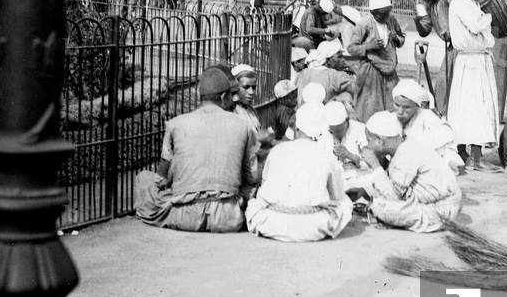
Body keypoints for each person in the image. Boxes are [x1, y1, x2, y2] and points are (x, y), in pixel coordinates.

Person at [134, 67, 258, 232]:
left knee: (143, 178)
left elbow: (161, 178)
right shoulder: (243, 125)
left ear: (200, 97)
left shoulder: (175, 124)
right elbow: (252, 177)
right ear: (224, 97)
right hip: (227, 217)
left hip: (183, 215)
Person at [245, 103, 353, 242]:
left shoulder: (277, 150)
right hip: (312, 228)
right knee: (346, 204)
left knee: (255, 204)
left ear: (296, 127)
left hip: (271, 224)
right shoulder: (326, 155)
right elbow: (336, 196)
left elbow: (265, 186)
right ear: (322, 131)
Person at [362, 111, 462, 233]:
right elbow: (394, 185)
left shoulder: (405, 154)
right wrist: (364, 191)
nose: (368, 145)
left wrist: (375, 165)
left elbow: (394, 196)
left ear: (380, 140)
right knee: (378, 199)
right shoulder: (406, 146)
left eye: (369, 140)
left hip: (440, 211)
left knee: (381, 207)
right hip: (445, 205)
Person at [447, 0, 501, 171]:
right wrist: (487, 17)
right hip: (471, 63)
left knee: (470, 107)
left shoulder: (470, 2)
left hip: (476, 61)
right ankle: (474, 157)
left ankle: (466, 154)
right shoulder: (461, 3)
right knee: (475, 107)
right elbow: (476, 25)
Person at [348, 0, 406, 121]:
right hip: (370, 73)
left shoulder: (391, 20)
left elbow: (402, 38)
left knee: (392, 108)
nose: (386, 16)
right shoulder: (364, 24)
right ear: (373, 12)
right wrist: (369, 46)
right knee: (370, 109)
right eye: (382, 13)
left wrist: (396, 38)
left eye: (387, 12)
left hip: (390, 72)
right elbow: (351, 48)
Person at [392, 78, 464, 174]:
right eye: (397, 105)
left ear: (417, 106)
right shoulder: (392, 118)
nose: (400, 111)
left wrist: (411, 145)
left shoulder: (426, 116)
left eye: (406, 107)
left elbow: (447, 133)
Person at [414, 0, 456, 113]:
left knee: (455, 85)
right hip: (451, 49)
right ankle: (442, 115)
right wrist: (418, 22)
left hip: (461, 47)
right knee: (442, 86)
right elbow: (424, 31)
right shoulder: (427, 5)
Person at [320, 100, 372, 187]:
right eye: (332, 131)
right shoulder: (324, 132)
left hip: (359, 183)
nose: (336, 135)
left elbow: (372, 165)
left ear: (347, 120)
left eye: (339, 131)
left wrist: (350, 156)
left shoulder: (361, 130)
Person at [295, 39, 356, 110]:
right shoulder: (335, 76)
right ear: (327, 60)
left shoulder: (302, 74)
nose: (343, 60)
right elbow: (357, 89)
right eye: (339, 57)